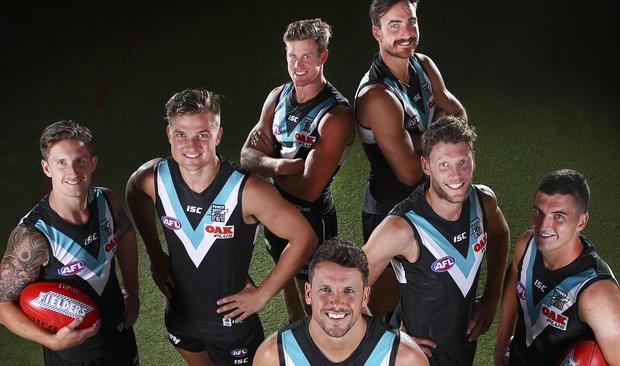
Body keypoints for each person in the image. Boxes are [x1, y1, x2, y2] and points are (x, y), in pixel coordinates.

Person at [126, 88, 316, 366]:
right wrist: (155, 254)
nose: (191, 146)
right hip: (180, 318)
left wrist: (263, 294)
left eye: (202, 134)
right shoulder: (153, 177)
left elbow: (304, 237)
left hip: (233, 327)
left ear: (218, 134)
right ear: (169, 135)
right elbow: (134, 192)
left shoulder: (247, 189)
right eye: (181, 134)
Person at [362, 116, 509, 365]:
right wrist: (389, 340)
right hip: (416, 356)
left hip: (462, 345)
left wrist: (491, 296)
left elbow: (499, 234)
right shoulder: (401, 228)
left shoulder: (483, 201)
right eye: (444, 165)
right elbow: (346, 289)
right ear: (426, 166)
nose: (456, 175)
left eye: (463, 162)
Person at [355, 0, 468, 321]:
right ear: (376, 32)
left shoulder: (423, 64)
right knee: (382, 303)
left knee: (431, 286)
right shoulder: (377, 95)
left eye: (411, 22)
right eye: (394, 25)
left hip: (431, 201)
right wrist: (439, 134)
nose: (406, 33)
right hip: (389, 210)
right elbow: (407, 172)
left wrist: (417, 140)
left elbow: (459, 115)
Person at [241, 18, 354, 323]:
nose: (298, 65)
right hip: (275, 212)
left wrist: (266, 165)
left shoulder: (336, 115)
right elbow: (246, 155)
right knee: (287, 280)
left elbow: (309, 188)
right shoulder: (277, 96)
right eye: (292, 55)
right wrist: (277, 165)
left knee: (318, 301)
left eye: (306, 56)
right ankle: (297, 333)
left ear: (322, 57)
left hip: (312, 218)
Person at [0, 120, 139, 365]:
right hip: (74, 357)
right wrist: (51, 341)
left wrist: (133, 292)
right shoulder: (33, 236)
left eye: (80, 161)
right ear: (46, 167)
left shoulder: (106, 201)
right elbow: (2, 304)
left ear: (92, 163)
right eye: (61, 162)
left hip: (120, 336)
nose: (73, 172)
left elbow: (126, 234)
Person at [494, 170, 620, 365]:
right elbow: (515, 276)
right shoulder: (527, 245)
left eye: (558, 216)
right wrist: (503, 340)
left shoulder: (596, 293)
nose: (543, 225)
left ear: (581, 221)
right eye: (539, 212)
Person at [253, 238, 428, 366]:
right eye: (325, 289)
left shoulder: (404, 358)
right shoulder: (273, 357)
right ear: (308, 292)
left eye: (349, 290)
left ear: (365, 296)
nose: (336, 302)